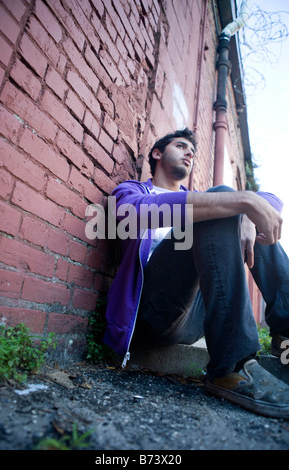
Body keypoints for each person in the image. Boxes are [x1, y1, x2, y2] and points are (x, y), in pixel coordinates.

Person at [103, 127, 289, 418]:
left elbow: (269, 202)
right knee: (221, 203)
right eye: (181, 146)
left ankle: (287, 337)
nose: (189, 152)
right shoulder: (134, 190)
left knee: (233, 208)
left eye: (192, 149)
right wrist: (242, 203)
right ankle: (232, 367)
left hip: (196, 315)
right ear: (157, 153)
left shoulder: (203, 197)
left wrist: (248, 214)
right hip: (155, 311)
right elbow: (131, 213)